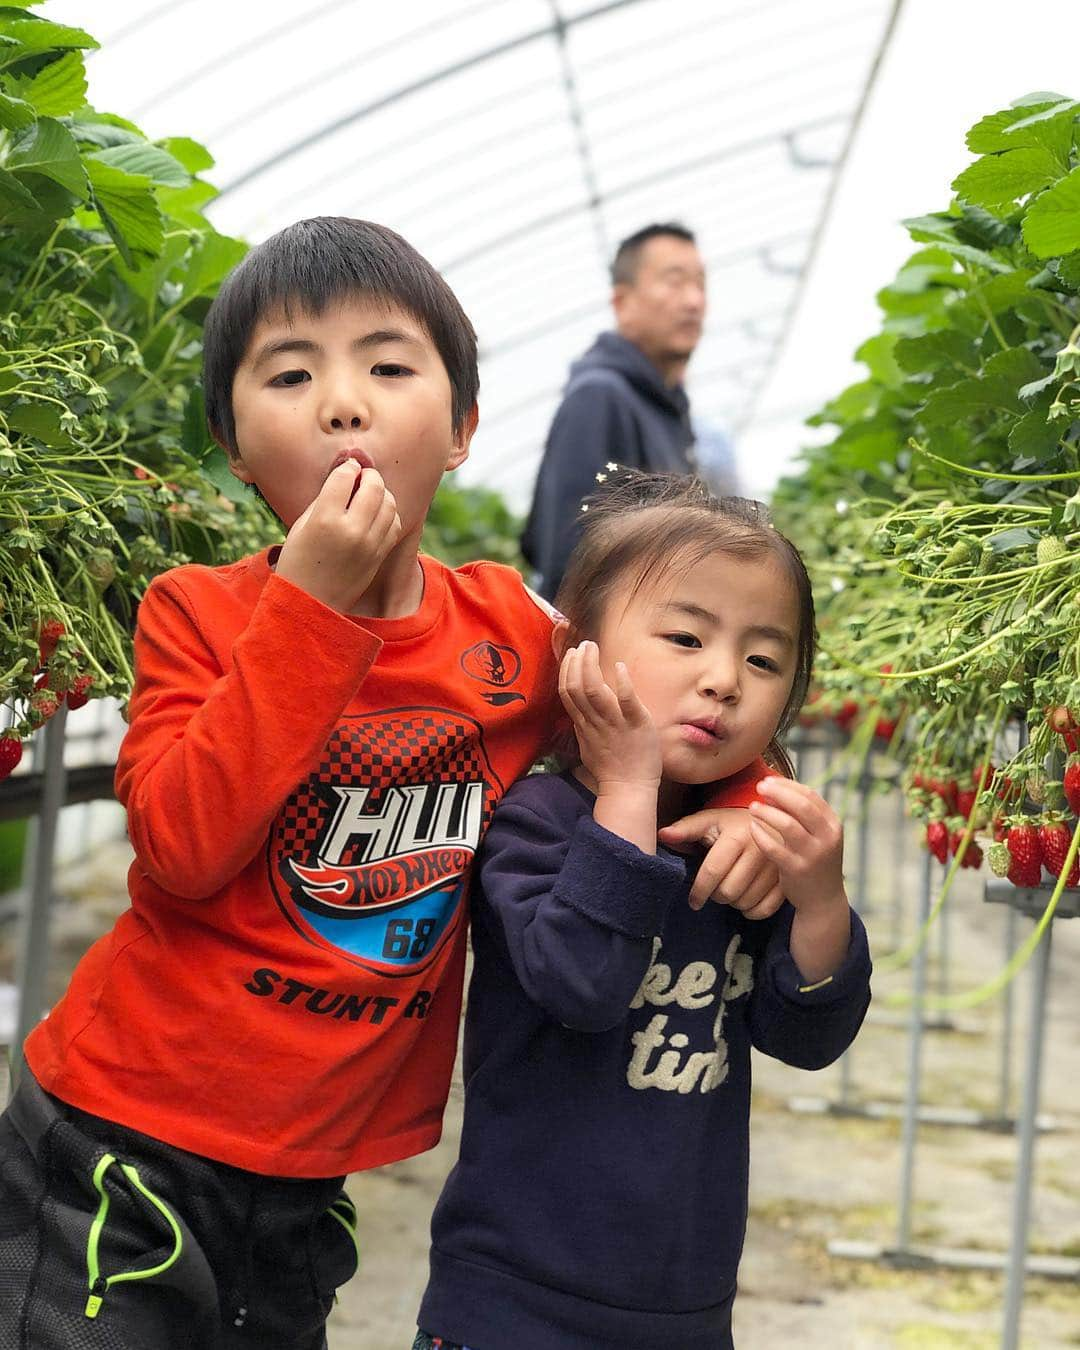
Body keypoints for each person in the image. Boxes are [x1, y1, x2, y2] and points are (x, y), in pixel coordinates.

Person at [0, 222, 773, 1350]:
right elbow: (181, 844)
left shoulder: (513, 631)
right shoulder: (197, 613)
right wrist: (307, 613)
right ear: (234, 444)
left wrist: (749, 802)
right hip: (119, 1144)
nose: (343, 403)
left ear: (461, 430)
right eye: (291, 374)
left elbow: (662, 716)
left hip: (311, 1176)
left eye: (388, 366)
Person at [415, 474, 872, 1350]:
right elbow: (584, 982)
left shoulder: (742, 840)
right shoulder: (532, 823)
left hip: (685, 1303)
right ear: (580, 655)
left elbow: (808, 1038)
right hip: (512, 1298)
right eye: (685, 637)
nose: (724, 679)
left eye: (765, 659)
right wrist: (627, 783)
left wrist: (819, 897)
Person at [520, 222, 706, 600]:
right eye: (674, 282)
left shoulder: (666, 407)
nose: (694, 301)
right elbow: (569, 556)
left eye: (701, 284)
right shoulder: (599, 398)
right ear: (622, 303)